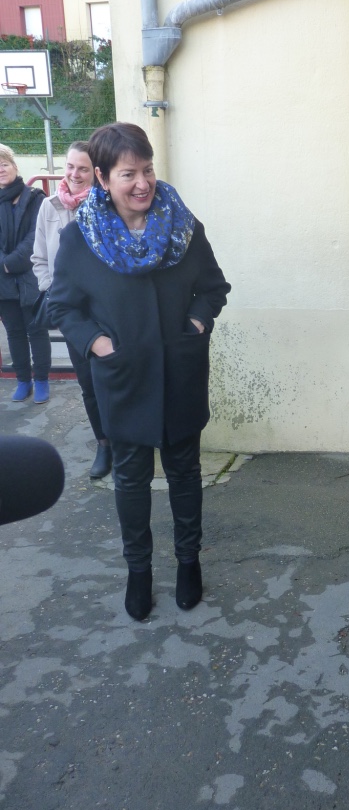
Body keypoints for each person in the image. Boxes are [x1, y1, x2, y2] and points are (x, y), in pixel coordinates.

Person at [48, 123, 231, 622]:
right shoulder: (81, 238)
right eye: (129, 173)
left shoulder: (184, 227)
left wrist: (196, 323)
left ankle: (189, 564)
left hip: (180, 373)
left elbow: (214, 288)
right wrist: (98, 343)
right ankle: (139, 572)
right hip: (123, 378)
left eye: (147, 170)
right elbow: (62, 307)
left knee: (185, 473)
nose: (143, 183)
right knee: (130, 480)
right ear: (103, 179)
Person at [32, 142, 113, 479]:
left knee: (113, 379)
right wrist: (54, 292)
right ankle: (105, 444)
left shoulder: (107, 206)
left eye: (82, 168)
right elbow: (39, 259)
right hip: (71, 314)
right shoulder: (49, 207)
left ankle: (127, 442)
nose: (74, 174)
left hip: (105, 311)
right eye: (70, 167)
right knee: (88, 385)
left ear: (95, 172)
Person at [0, 144, 50, 403]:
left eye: (4, 163)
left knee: (36, 330)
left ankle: (41, 380)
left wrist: (10, 262)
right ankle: (23, 381)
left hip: (30, 276)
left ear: (14, 166)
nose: (1, 169)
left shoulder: (35, 197)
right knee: (15, 333)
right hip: (2, 281)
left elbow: (36, 236)